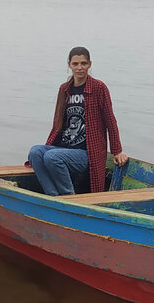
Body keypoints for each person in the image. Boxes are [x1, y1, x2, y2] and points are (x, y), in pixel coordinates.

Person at [27, 47, 128, 195]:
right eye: (75, 64)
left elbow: (110, 120)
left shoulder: (98, 88)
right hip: (65, 148)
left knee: (52, 157)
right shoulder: (64, 89)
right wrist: (49, 144)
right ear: (69, 65)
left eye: (83, 63)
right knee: (35, 152)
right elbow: (58, 124)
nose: (79, 68)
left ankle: (69, 196)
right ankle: (53, 196)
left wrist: (117, 151)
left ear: (90, 64)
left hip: (87, 153)